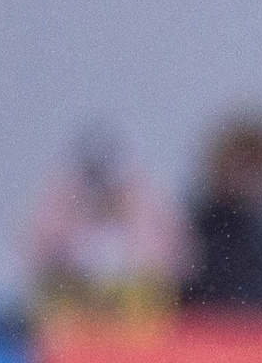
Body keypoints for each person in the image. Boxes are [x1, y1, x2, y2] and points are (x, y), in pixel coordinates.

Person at [25, 126, 181, 323]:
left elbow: (169, 264)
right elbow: (38, 257)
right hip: (75, 305)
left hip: (134, 313)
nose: (101, 191)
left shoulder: (142, 205)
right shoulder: (60, 203)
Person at [181, 114, 262, 310]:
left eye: (255, 166)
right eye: (239, 164)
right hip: (206, 335)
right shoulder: (192, 235)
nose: (245, 178)